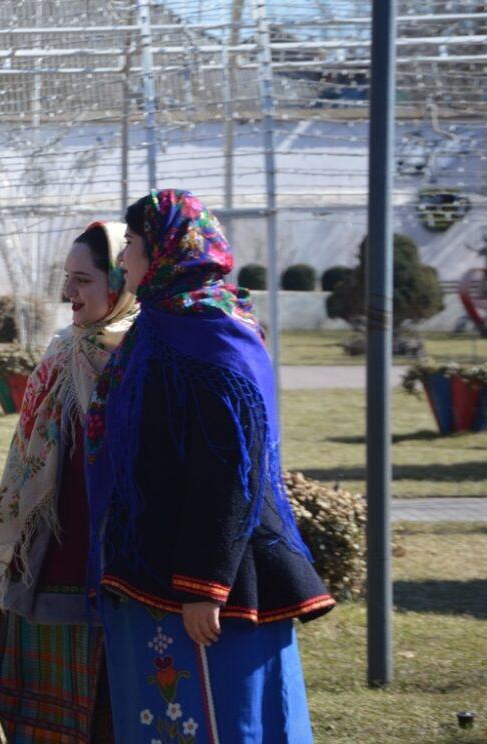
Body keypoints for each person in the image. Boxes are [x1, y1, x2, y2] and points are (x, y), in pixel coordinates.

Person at [85, 190, 335, 743]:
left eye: (131, 245)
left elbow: (231, 470)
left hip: (210, 580)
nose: (123, 258)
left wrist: (207, 584)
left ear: (169, 251)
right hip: (144, 562)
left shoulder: (216, 333)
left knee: (231, 721)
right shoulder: (155, 325)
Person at [0, 221, 138, 742]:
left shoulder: (140, 358)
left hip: (108, 571)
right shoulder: (60, 350)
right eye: (65, 278)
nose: (66, 292)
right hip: (44, 566)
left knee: (107, 717)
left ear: (120, 282)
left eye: (82, 280)